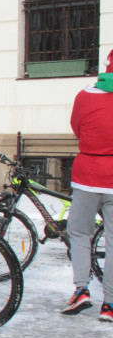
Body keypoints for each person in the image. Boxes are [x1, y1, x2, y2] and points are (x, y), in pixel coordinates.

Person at [63, 50, 113, 319]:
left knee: (80, 233)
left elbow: (77, 127)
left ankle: (81, 289)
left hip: (87, 174)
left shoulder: (85, 96)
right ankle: (110, 305)